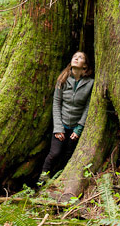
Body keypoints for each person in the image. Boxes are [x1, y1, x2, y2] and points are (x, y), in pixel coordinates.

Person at [39, 51, 94, 182]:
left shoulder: (91, 83)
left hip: (75, 127)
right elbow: (56, 104)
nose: (76, 58)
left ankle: (60, 182)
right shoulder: (62, 79)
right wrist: (58, 128)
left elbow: (88, 107)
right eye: (74, 56)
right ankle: (42, 180)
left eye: (80, 57)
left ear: (85, 66)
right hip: (61, 125)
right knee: (54, 153)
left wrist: (79, 129)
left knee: (68, 156)